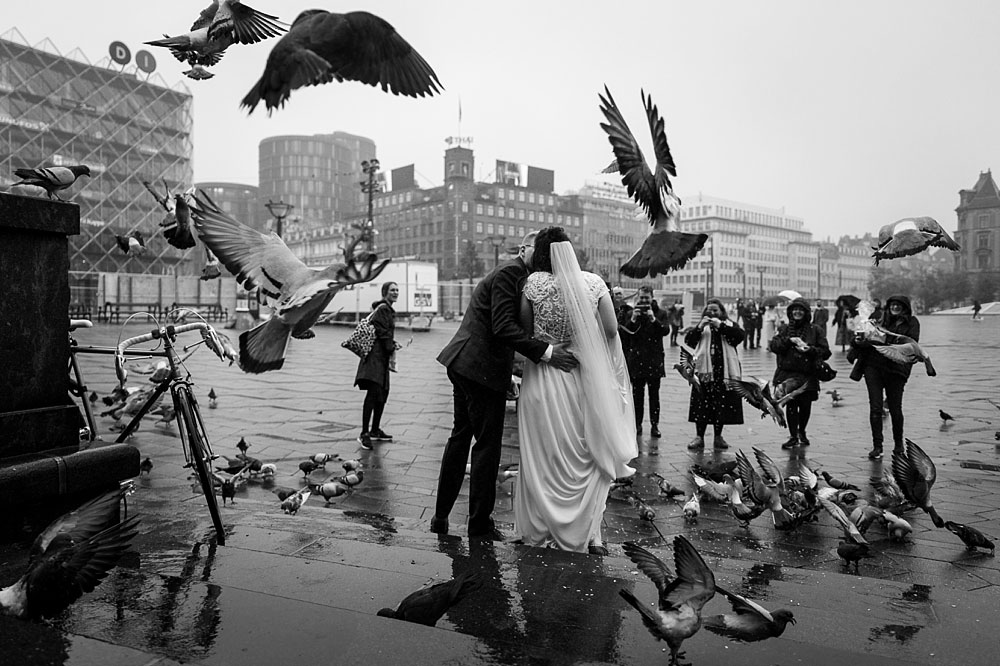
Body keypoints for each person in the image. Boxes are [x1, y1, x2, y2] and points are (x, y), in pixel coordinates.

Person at [431, 232, 578, 539]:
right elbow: (502, 325)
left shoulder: (516, 274)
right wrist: (548, 353)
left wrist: (508, 373)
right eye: (534, 251)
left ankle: (441, 517)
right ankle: (479, 524)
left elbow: (493, 327)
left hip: (469, 363)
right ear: (524, 249)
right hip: (477, 368)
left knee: (460, 438)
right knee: (487, 445)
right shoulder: (511, 272)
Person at [514, 227, 637, 553]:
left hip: (543, 380)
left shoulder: (534, 284)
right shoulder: (594, 283)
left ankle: (542, 529)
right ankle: (590, 533)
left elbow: (526, 335)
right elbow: (611, 331)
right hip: (583, 380)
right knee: (587, 455)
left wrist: (551, 347)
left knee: (543, 458)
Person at [849, 295, 920, 460]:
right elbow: (865, 340)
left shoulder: (912, 322)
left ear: (905, 308)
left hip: (896, 369)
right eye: (892, 305)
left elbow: (912, 344)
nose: (895, 308)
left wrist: (885, 340)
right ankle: (877, 446)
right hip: (873, 366)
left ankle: (898, 445)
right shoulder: (879, 319)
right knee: (875, 408)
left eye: (898, 305)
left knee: (895, 408)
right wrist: (859, 340)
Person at [769, 298, 831, 449]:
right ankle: (793, 436)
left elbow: (825, 351)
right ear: (790, 312)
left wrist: (810, 350)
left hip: (807, 374)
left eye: (801, 310)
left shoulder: (815, 330)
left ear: (806, 313)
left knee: (805, 405)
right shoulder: (784, 329)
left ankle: (801, 431)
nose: (797, 312)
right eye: (794, 310)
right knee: (791, 404)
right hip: (787, 374)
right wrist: (789, 341)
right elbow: (774, 346)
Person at [684, 298, 745, 450]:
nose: (711, 313)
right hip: (704, 372)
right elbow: (689, 341)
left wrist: (721, 326)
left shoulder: (729, 325)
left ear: (722, 312)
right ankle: (699, 437)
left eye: (715, 310)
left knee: (721, 405)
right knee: (701, 405)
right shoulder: (701, 327)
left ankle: (718, 436)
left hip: (723, 373)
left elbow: (739, 336)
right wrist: (699, 327)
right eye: (709, 310)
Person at [354, 282, 402, 449]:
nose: (396, 292)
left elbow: (384, 333)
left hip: (381, 359)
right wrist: (390, 345)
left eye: (397, 290)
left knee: (382, 393)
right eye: (392, 290)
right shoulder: (383, 309)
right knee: (374, 393)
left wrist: (391, 344)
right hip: (375, 358)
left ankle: (374, 430)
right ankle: (364, 433)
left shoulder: (387, 310)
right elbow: (381, 332)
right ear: (384, 293)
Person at [620, 285, 669, 437]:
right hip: (637, 360)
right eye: (641, 297)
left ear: (652, 297)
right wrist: (633, 320)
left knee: (654, 396)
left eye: (647, 298)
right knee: (637, 396)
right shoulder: (630, 313)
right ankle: (637, 424)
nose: (644, 300)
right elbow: (625, 335)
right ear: (638, 297)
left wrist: (654, 319)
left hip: (654, 360)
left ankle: (655, 425)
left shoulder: (660, 313)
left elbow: (665, 331)